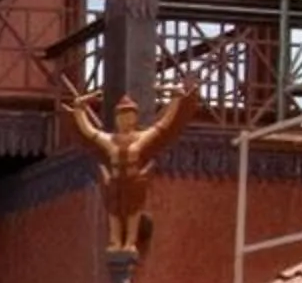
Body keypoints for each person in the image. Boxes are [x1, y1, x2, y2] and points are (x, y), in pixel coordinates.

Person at [57, 84, 200, 258]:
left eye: (129, 116)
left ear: (135, 118)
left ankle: (130, 242)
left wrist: (176, 99)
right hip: (115, 182)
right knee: (114, 212)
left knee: (133, 212)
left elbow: (164, 125)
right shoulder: (109, 140)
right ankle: (115, 240)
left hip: (134, 181)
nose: (125, 120)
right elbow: (88, 132)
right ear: (117, 119)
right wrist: (79, 109)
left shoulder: (142, 137)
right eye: (121, 116)